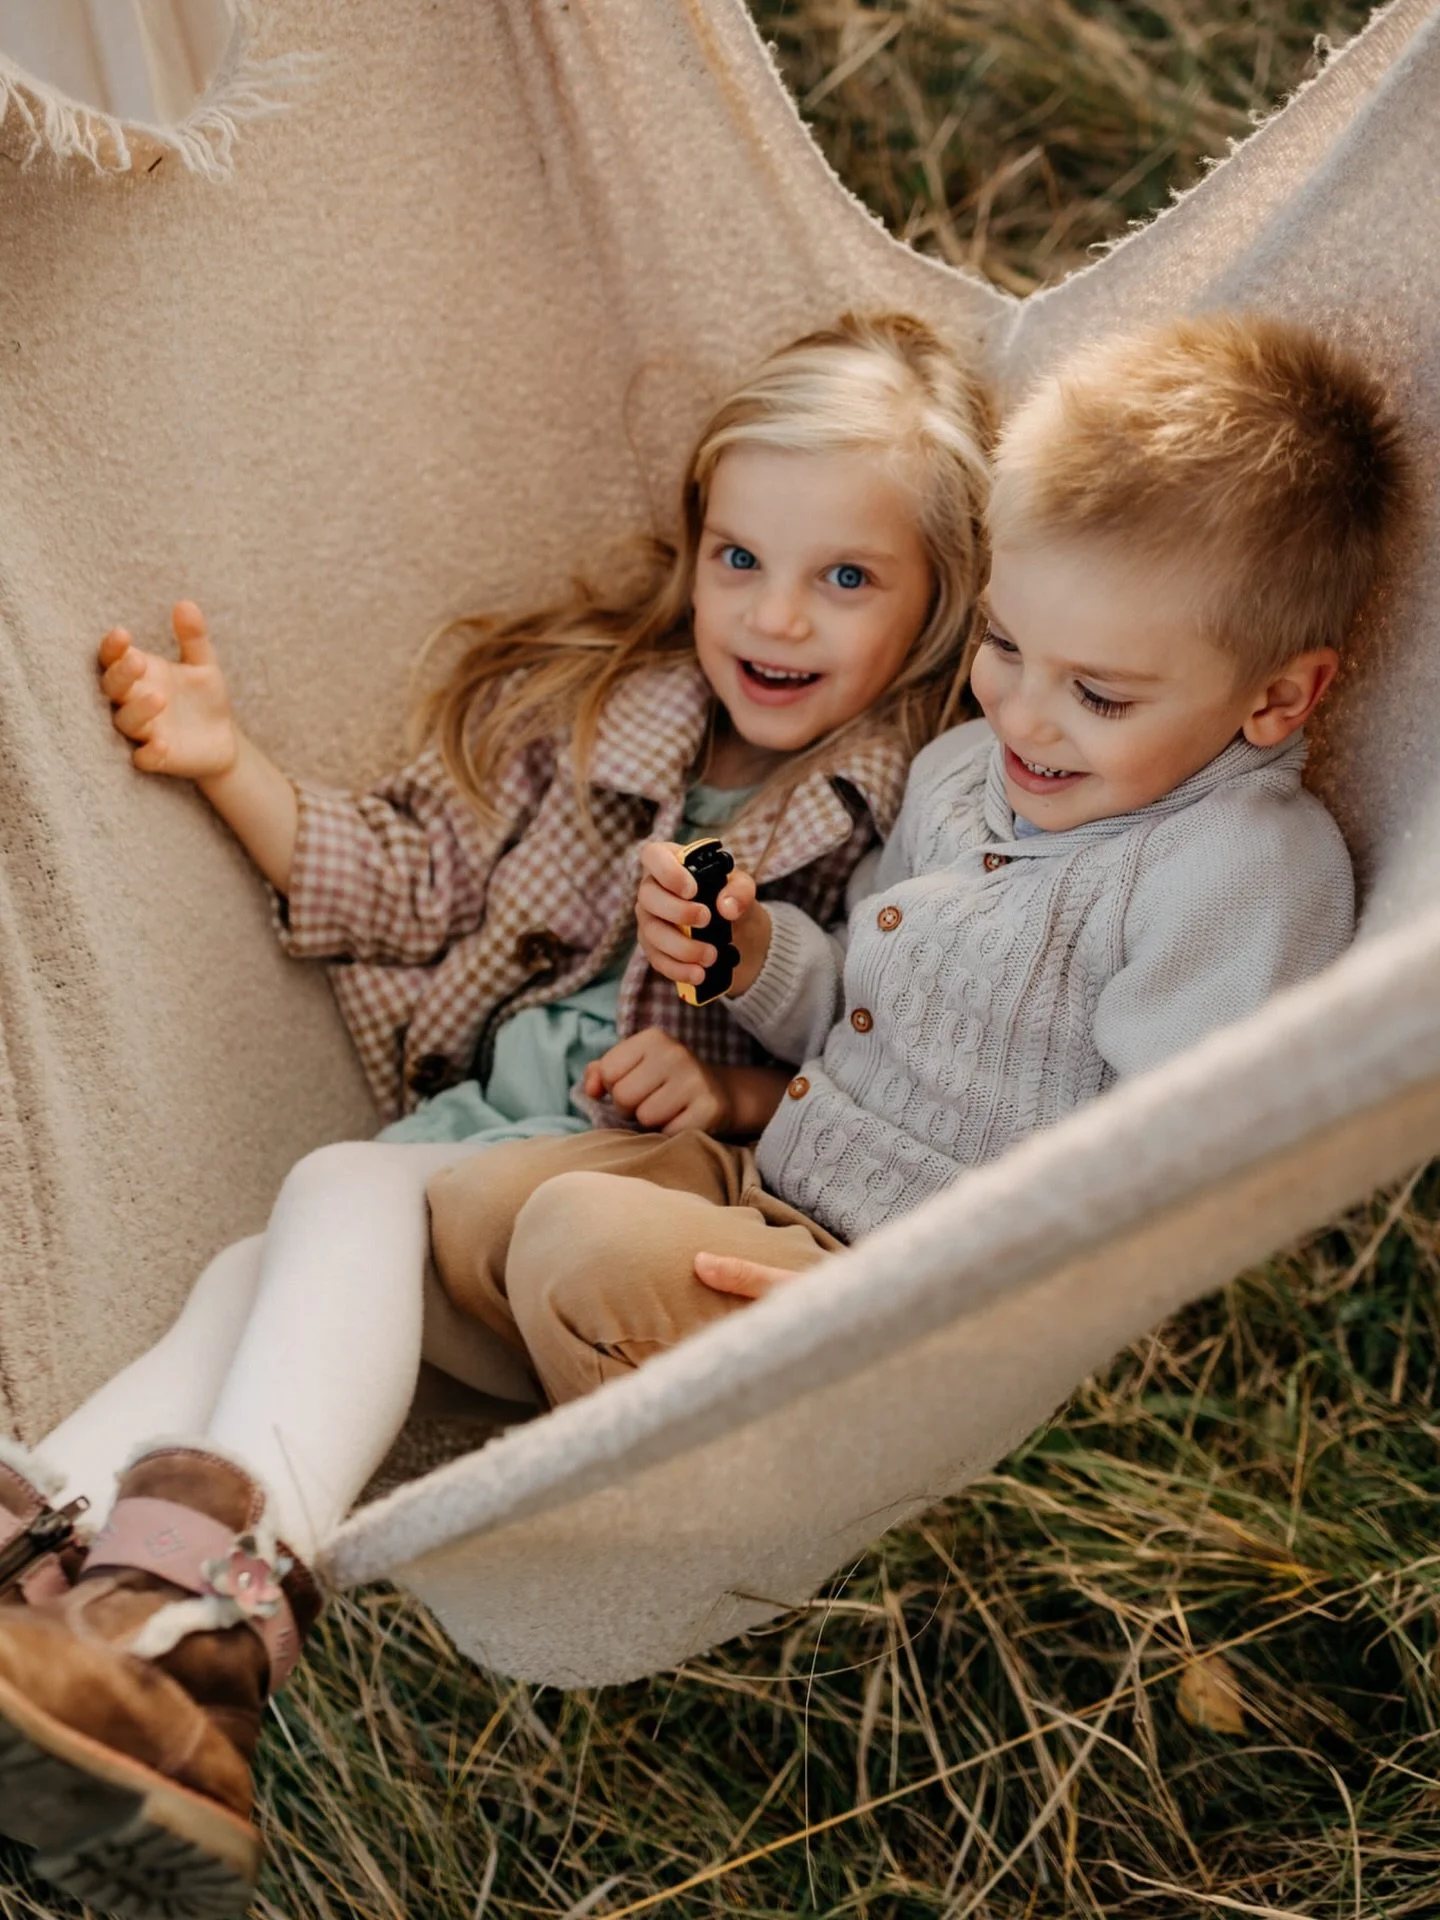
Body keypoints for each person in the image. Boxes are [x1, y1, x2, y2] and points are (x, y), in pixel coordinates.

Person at [0, 313, 991, 1920]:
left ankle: (214, 1627)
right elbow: (407, 880)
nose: (775, 613)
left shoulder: (922, 807)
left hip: (649, 1191)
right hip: (468, 1150)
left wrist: (734, 1082)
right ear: (693, 544)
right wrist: (228, 761)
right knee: (247, 1269)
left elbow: (911, 1060)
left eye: (848, 580)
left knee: (332, 1190)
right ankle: (52, 1577)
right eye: (738, 557)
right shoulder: (612, 719)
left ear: (945, 603)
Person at [424, 310, 1410, 1406]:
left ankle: (665, 1453)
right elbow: (857, 1005)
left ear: (1276, 697)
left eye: (1098, 695)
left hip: (917, 1312)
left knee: (582, 1240)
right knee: (474, 1208)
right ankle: (601, 1394)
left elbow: (1171, 1187)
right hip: (776, 1184)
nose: (1023, 719)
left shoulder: (1234, 869)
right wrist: (749, 949)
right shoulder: (959, 771)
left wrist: (902, 1305)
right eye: (1003, 645)